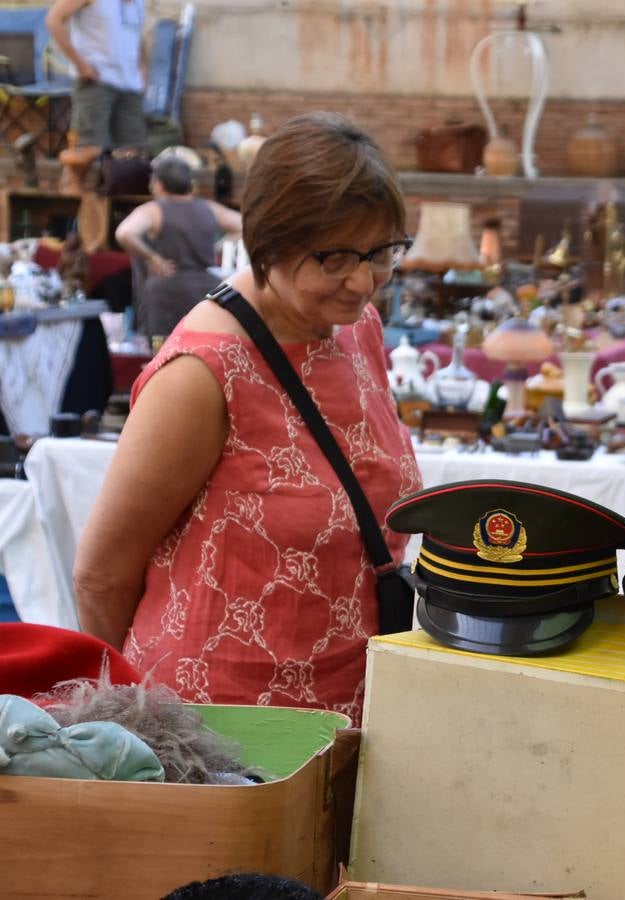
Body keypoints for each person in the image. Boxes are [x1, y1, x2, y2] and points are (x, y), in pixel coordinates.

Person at [73, 113, 422, 724]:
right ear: (269, 240)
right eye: (336, 256)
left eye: (381, 252)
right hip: (222, 728)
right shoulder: (204, 371)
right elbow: (101, 576)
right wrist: (136, 721)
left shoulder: (355, 326)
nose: (364, 281)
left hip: (354, 707)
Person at [116, 154, 243, 339]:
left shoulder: (155, 210)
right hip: (206, 291)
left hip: (167, 293)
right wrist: (217, 247)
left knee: (163, 355)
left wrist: (152, 257)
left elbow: (124, 233)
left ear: (158, 184)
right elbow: (244, 225)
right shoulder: (208, 208)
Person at [46, 0, 147, 153]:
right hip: (96, 81)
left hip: (130, 85)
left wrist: (143, 71)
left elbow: (136, 36)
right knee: (88, 151)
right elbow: (54, 21)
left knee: (130, 155)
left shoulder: (139, 2)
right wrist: (80, 65)